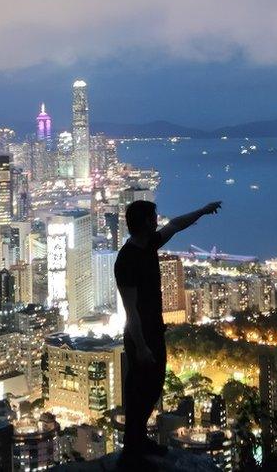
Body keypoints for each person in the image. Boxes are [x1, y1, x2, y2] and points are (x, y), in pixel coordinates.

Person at [114, 199, 222, 465]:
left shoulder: (148, 243)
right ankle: (133, 448)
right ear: (144, 223)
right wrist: (141, 347)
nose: (157, 221)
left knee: (152, 387)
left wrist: (202, 210)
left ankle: (138, 441)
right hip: (141, 336)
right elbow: (131, 311)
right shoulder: (127, 260)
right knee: (141, 391)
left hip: (154, 331)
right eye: (153, 218)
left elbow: (175, 226)